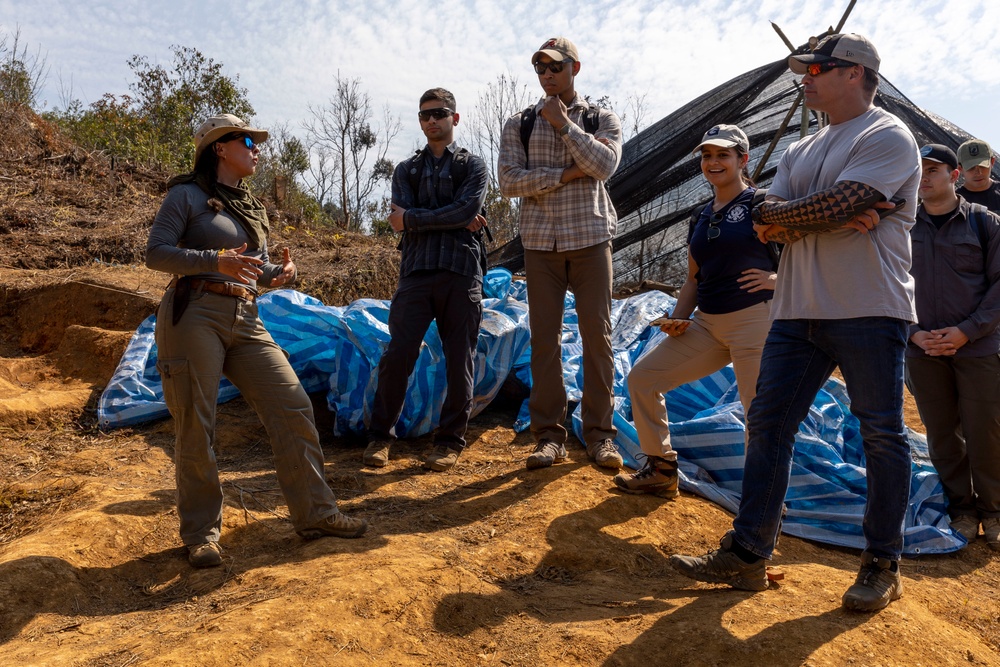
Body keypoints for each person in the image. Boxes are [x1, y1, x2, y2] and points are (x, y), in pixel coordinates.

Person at [670, 33, 921, 612]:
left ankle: (883, 563)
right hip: (797, 310)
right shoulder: (805, 149)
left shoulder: (887, 135)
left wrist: (819, 211)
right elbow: (764, 216)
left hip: (868, 307)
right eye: (802, 69)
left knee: (882, 434)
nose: (803, 77)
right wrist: (827, 213)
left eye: (816, 68)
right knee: (768, 424)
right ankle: (749, 553)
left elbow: (835, 203)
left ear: (854, 73)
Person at [147, 113, 367, 568]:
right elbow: (156, 253)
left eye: (257, 140)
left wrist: (278, 275)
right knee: (196, 423)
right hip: (195, 312)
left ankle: (316, 515)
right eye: (246, 139)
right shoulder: (186, 195)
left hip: (246, 315)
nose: (257, 146)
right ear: (219, 148)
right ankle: (202, 534)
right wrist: (214, 260)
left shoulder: (251, 207)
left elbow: (254, 270)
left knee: (292, 404)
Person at [614, 125, 776, 498]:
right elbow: (692, 278)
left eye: (723, 154)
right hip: (707, 323)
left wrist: (777, 277)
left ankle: (763, 505)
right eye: (707, 155)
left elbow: (806, 256)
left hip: (755, 320)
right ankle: (660, 468)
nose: (713, 161)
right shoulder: (700, 217)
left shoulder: (763, 203)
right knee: (642, 379)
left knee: (759, 415)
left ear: (743, 160)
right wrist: (679, 317)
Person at [498, 37, 624, 471]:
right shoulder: (520, 123)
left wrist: (566, 127)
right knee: (544, 342)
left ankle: (600, 436)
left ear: (575, 68)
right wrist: (569, 173)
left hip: (590, 240)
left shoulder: (599, 117)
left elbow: (605, 166)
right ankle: (549, 435)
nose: (547, 74)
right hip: (540, 245)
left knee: (597, 338)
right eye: (540, 68)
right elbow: (509, 182)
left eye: (555, 66)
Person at [363, 88, 489, 472]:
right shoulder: (406, 170)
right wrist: (454, 218)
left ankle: (449, 442)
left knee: (459, 361)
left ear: (455, 118)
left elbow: (464, 208)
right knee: (398, 354)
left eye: (439, 113)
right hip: (416, 273)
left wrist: (414, 219)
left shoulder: (473, 166)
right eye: (424, 115)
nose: (431, 120)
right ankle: (380, 438)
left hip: (461, 273)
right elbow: (455, 213)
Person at [906, 143, 1000, 550]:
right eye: (918, 170)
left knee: (986, 433)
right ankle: (961, 509)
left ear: (954, 175)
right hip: (923, 349)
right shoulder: (901, 225)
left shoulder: (985, 224)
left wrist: (967, 330)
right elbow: (887, 283)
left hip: (977, 349)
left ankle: (994, 511)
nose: (924, 177)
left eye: (933, 169)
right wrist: (911, 331)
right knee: (942, 433)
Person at [956, 139, 1000, 213]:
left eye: (983, 166)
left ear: (992, 162)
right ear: (960, 168)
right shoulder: (954, 201)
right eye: (971, 167)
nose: (978, 172)